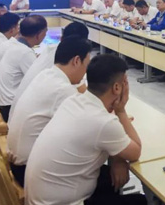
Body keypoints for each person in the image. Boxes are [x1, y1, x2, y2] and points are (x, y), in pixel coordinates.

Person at [25, 54, 145, 205]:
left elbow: (103, 135)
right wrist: (121, 111)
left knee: (107, 177)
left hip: (42, 196)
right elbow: (135, 152)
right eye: (125, 83)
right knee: (140, 201)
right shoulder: (103, 122)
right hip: (60, 202)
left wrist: (118, 158)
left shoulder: (73, 100)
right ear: (117, 87)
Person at [7, 36, 92, 186]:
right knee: (100, 172)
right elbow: (89, 126)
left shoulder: (46, 75)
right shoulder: (62, 90)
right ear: (76, 61)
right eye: (87, 65)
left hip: (18, 161)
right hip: (29, 171)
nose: (86, 71)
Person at [13, 22, 90, 109]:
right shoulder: (67, 59)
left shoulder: (51, 51)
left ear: (61, 38)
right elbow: (83, 96)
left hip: (17, 107)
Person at [0, 15, 48, 122]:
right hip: (10, 107)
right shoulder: (25, 52)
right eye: (45, 32)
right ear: (39, 34)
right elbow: (39, 81)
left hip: (4, 102)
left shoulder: (16, 45)